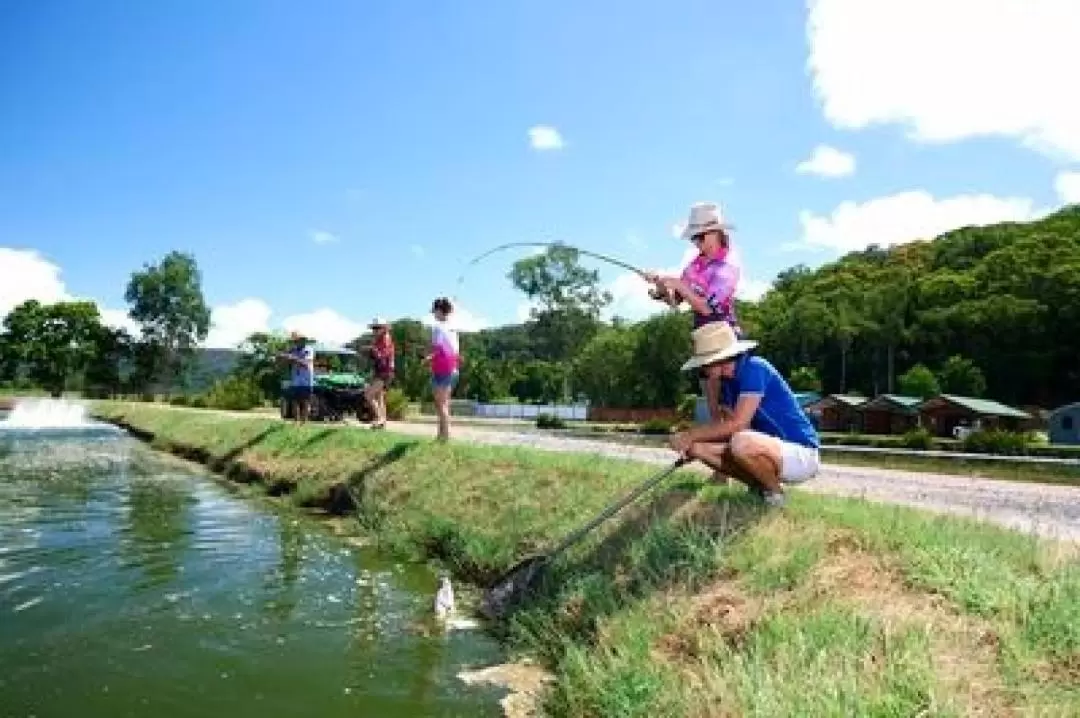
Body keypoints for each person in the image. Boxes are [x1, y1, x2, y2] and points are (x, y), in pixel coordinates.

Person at [668, 321, 821, 508]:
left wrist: (691, 434)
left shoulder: (755, 368)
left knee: (741, 442)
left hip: (800, 453)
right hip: (766, 449)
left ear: (719, 360)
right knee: (698, 448)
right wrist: (691, 445)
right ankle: (760, 487)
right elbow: (729, 432)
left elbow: (739, 425)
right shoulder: (727, 386)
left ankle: (775, 495)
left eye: (704, 366)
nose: (703, 371)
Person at [647, 201, 742, 426]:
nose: (696, 242)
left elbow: (707, 307)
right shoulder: (692, 267)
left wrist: (679, 285)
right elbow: (674, 302)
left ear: (716, 232)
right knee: (714, 414)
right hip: (703, 341)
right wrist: (661, 286)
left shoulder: (729, 266)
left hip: (725, 339)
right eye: (694, 237)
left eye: (700, 236)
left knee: (731, 408)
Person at [426, 297, 460, 442]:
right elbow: (454, 351)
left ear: (439, 311)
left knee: (441, 405)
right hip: (453, 369)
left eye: (434, 311)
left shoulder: (437, 328)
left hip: (442, 370)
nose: (434, 314)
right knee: (444, 404)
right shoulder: (453, 328)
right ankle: (441, 435)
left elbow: (437, 349)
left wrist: (427, 358)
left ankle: (445, 436)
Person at [364, 317, 395, 430]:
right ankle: (383, 423)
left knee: (368, 395)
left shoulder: (385, 339)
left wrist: (373, 350)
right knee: (379, 397)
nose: (374, 330)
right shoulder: (379, 340)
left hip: (385, 372)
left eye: (377, 328)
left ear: (384, 328)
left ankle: (379, 419)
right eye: (373, 328)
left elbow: (383, 355)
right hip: (381, 371)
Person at [279, 331, 315, 424]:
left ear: (303, 340)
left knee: (305, 402)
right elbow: (286, 362)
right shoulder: (293, 350)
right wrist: (283, 357)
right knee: (295, 401)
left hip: (306, 380)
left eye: (297, 341)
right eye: (294, 341)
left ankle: (304, 422)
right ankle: (296, 422)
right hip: (295, 380)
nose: (296, 343)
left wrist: (292, 358)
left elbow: (306, 363)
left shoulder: (309, 350)